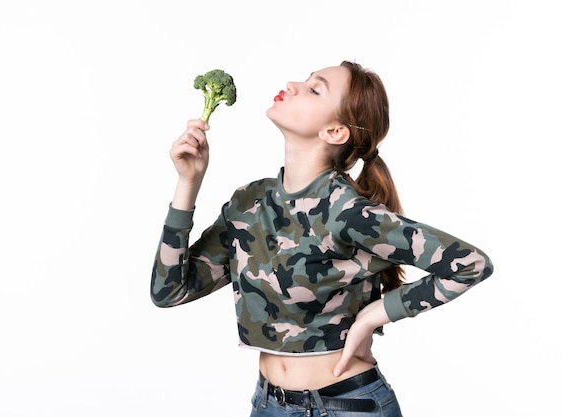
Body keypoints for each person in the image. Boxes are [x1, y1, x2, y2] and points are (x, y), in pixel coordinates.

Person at [150, 60, 494, 416]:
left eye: (315, 88)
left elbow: (470, 264)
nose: (292, 84)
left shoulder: (346, 212)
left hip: (348, 406)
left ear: (334, 132)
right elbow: (169, 291)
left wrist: (373, 316)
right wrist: (188, 183)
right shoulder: (248, 203)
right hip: (268, 405)